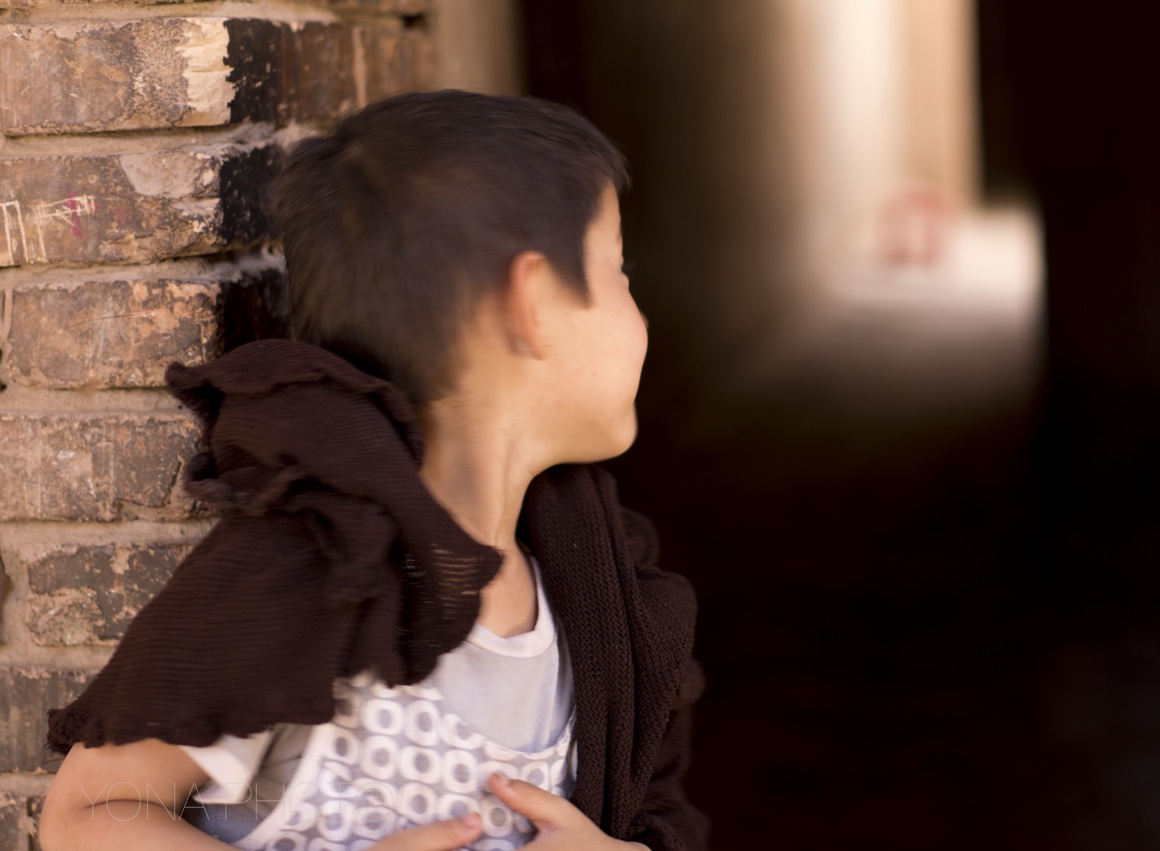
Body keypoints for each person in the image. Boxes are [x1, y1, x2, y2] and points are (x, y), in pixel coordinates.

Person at [38, 89, 707, 851]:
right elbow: (87, 816)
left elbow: (653, 806)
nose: (640, 312)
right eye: (619, 270)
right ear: (533, 300)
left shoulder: (596, 593)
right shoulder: (309, 575)